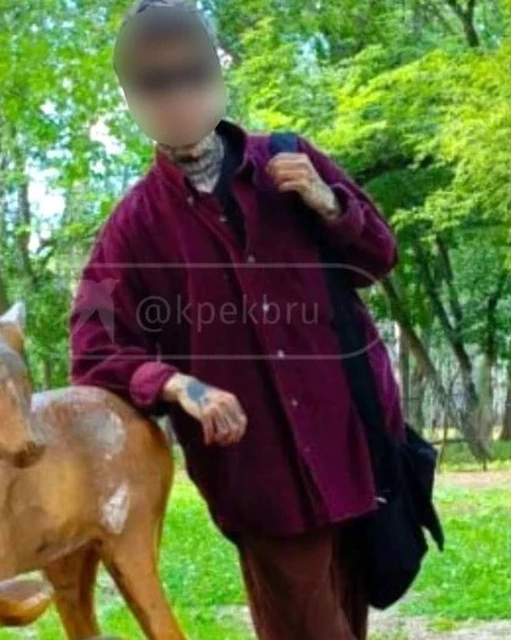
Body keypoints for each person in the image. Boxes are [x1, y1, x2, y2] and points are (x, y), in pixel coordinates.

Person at [69, 2, 403, 638]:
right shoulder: (133, 226)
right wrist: (177, 385)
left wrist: (331, 204)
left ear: (218, 75)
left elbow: (378, 257)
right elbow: (92, 349)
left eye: (191, 75)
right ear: (131, 100)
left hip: (350, 446)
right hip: (261, 475)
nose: (177, 98)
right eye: (154, 85)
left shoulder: (291, 161)